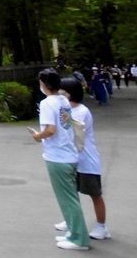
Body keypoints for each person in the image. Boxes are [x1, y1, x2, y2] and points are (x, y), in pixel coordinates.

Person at [27, 68, 89, 251]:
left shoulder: (47, 103)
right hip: (69, 153)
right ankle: (73, 232)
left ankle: (79, 239)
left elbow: (51, 130)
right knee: (69, 197)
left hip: (57, 156)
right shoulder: (63, 100)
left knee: (67, 199)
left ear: (44, 85)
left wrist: (38, 136)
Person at [56, 77, 110, 241]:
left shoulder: (81, 110)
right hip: (71, 158)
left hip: (86, 160)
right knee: (70, 193)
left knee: (94, 194)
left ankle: (102, 227)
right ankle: (72, 220)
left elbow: (74, 131)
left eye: (62, 91)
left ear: (69, 93)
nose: (59, 94)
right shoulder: (65, 108)